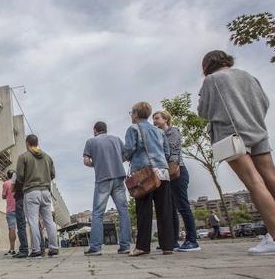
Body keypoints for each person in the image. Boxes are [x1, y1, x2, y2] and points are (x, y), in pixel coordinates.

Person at [197, 50, 275, 255]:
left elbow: (204, 111)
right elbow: (264, 102)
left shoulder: (212, 80)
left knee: (254, 182)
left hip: (231, 134)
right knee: (271, 179)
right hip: (257, 129)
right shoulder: (248, 76)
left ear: (206, 66)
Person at [124, 102, 174, 256]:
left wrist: (124, 157)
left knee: (143, 211)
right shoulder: (158, 131)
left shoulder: (133, 129)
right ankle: (167, 246)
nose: (131, 116)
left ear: (136, 114)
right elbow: (167, 151)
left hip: (144, 175)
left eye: (131, 113)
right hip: (163, 173)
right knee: (164, 210)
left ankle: (143, 247)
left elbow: (129, 150)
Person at [153, 111, 200, 252]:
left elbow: (174, 151)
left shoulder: (173, 132)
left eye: (157, 118)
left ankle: (192, 240)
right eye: (153, 119)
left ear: (166, 119)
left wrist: (171, 168)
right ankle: (172, 241)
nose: (154, 121)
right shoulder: (160, 135)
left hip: (177, 172)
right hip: (168, 173)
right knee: (171, 208)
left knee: (183, 206)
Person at [83, 121, 132, 256]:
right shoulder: (116, 140)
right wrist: (116, 161)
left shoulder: (91, 142)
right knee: (123, 211)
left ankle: (96, 247)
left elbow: (86, 161)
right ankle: (125, 246)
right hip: (118, 178)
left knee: (98, 213)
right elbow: (126, 155)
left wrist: (97, 164)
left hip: (102, 179)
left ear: (95, 130)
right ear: (105, 129)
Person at [16, 134, 59, 258]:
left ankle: (36, 250)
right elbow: (53, 174)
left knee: (33, 220)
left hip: (31, 191)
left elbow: (19, 176)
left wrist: (28, 179)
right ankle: (54, 248)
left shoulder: (23, 157)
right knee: (49, 220)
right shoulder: (48, 157)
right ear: (37, 142)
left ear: (27, 143)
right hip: (46, 191)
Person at [11, 170, 29, 259]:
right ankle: (39, 248)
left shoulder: (16, 173)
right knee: (34, 223)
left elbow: (12, 188)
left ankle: (24, 250)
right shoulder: (30, 171)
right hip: (30, 197)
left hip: (20, 199)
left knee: (21, 225)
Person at [2, 170, 17, 256]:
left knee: (11, 228)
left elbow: (3, 196)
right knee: (21, 228)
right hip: (19, 208)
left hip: (10, 209)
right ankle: (23, 248)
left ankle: (12, 249)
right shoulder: (18, 182)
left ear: (7, 175)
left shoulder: (6, 183)